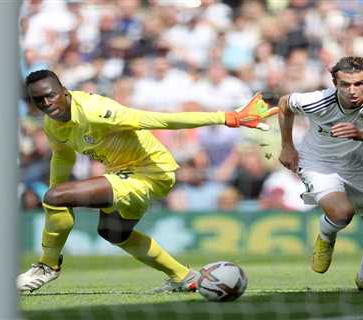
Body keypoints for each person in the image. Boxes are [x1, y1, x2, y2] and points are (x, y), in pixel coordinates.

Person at [16, 69, 277, 293]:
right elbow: (62, 158)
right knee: (113, 233)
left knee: (56, 198)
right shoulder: (53, 125)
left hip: (151, 173)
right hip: (123, 175)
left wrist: (226, 117)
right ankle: (184, 278)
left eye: (50, 94)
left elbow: (158, 119)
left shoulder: (97, 111)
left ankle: (48, 266)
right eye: (38, 99)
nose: (46, 102)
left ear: (64, 90)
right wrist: (56, 187)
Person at [277, 56, 363, 293]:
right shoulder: (318, 101)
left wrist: (362, 135)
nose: (352, 90)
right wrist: (287, 146)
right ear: (334, 83)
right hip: (319, 163)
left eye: (359, 84)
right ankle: (326, 237)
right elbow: (285, 103)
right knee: (341, 213)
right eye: (345, 84)